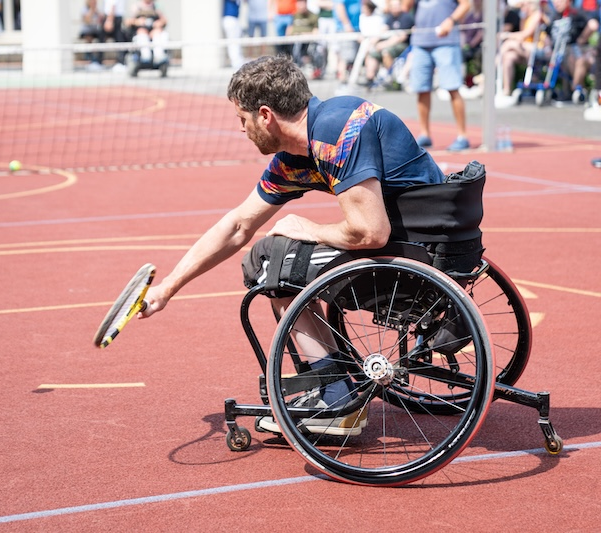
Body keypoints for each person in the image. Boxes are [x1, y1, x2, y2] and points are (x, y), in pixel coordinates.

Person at [138, 56, 472, 434]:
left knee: (272, 261)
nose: (242, 130)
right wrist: (167, 288)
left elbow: (370, 233)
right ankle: (334, 382)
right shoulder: (303, 150)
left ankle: (335, 397)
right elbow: (237, 225)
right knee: (272, 249)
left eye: (241, 119)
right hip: (424, 239)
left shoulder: (334, 133)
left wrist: (309, 228)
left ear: (265, 115)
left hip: (411, 253)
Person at [408, 0, 472, 152]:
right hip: (420, 42)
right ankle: (424, 134)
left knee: (453, 87)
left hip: (446, 42)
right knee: (421, 89)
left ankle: (462, 136)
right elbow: (405, 6)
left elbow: (466, 4)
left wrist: (450, 20)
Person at [545, 0, 598, 104]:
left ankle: (576, 88)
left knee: (578, 60)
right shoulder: (554, 16)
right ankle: (573, 90)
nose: (556, 3)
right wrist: (548, 48)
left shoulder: (576, 13)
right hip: (557, 52)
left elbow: (593, 25)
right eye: (554, 1)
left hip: (575, 50)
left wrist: (581, 39)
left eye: (560, 1)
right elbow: (546, 33)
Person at [495, 0, 546, 107]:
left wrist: (507, 35)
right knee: (508, 57)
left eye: (523, 5)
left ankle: (493, 66)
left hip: (538, 49)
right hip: (525, 50)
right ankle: (506, 90)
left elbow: (524, 35)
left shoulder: (537, 16)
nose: (521, 8)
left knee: (509, 44)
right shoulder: (525, 17)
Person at [364, 0, 414, 87]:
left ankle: (391, 78)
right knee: (373, 54)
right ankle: (370, 79)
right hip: (389, 44)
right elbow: (384, 30)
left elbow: (401, 37)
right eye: (393, 6)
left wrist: (383, 44)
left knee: (386, 52)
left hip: (403, 46)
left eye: (397, 5)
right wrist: (373, 41)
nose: (395, 8)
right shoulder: (390, 17)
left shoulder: (406, 17)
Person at [127, 0, 169, 67]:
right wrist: (137, 22)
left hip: (154, 33)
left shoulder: (157, 6)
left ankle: (158, 57)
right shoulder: (136, 7)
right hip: (141, 33)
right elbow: (128, 22)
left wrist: (158, 23)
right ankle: (145, 57)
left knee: (158, 33)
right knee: (142, 32)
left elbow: (164, 20)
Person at [79, 0, 106, 70]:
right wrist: (92, 10)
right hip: (86, 31)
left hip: (95, 31)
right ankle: (89, 59)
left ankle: (99, 60)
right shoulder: (84, 9)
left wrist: (97, 12)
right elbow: (87, 20)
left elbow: (102, 19)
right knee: (88, 38)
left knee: (102, 36)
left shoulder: (97, 10)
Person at [103, 0, 128, 72]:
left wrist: (109, 20)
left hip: (113, 18)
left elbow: (113, 5)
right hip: (113, 17)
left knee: (119, 40)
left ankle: (121, 62)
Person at [223, 0, 245, 69]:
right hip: (230, 19)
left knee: (236, 42)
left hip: (235, 19)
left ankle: (237, 61)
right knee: (232, 42)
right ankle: (235, 62)